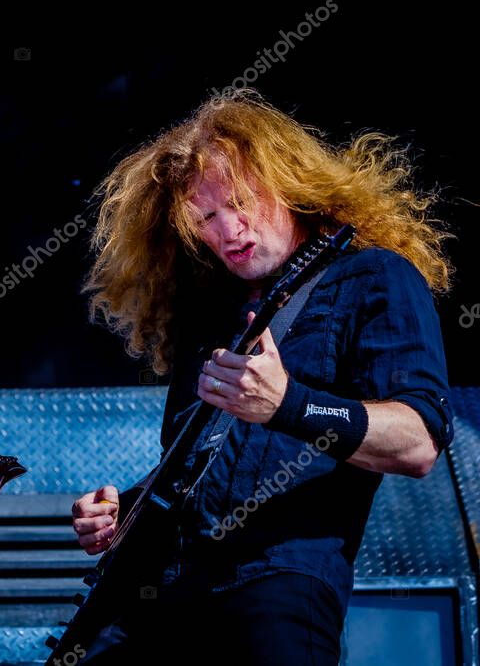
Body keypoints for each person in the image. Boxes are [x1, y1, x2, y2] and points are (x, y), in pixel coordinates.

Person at [71, 89, 455, 664]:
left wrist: (289, 403)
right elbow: (204, 458)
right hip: (160, 585)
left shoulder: (376, 277)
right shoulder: (206, 313)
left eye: (244, 201)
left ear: (291, 182)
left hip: (279, 581)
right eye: (207, 217)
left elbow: (420, 439)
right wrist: (124, 508)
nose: (230, 229)